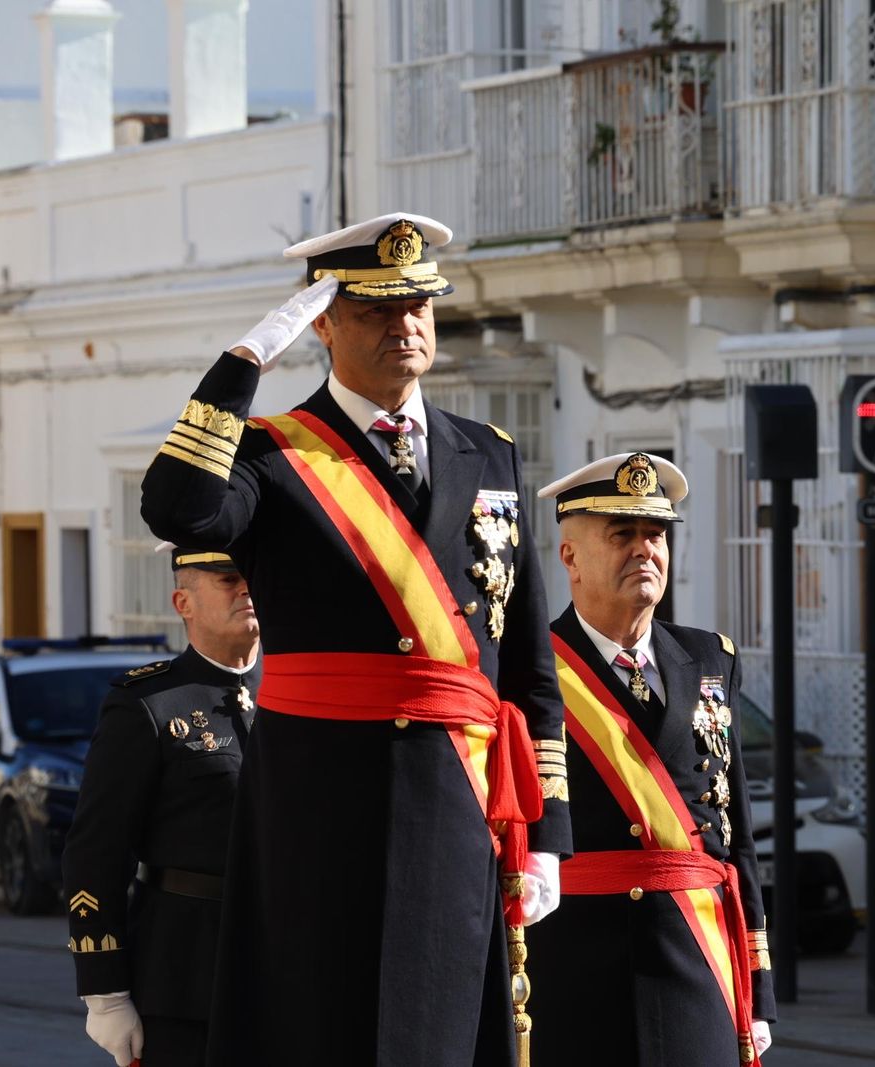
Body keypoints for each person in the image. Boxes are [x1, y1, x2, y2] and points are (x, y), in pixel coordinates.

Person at [140, 213, 570, 1065]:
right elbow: (175, 508)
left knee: (443, 1029)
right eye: (376, 309)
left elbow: (528, 663)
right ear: (324, 322)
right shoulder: (268, 456)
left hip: (455, 802)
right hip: (316, 803)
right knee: (317, 1024)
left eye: (419, 306)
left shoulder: (487, 455)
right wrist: (243, 364)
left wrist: (548, 831)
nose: (405, 325)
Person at [532, 452, 776, 1065]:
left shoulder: (710, 658)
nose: (645, 550)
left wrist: (759, 985)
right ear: (570, 558)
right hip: (575, 965)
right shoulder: (527, 666)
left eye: (656, 535)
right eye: (622, 535)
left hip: (697, 959)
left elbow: (736, 836)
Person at [61, 545, 262, 1067]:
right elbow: (95, 850)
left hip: (286, 967)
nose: (246, 589)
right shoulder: (149, 703)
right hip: (186, 977)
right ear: (183, 602)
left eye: (251, 577)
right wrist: (105, 991)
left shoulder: (296, 692)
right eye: (226, 580)